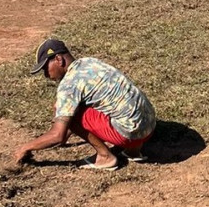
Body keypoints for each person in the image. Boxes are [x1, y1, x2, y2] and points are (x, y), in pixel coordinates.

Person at [11, 38, 157, 170]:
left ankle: (105, 157)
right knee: (83, 106)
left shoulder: (69, 85)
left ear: (58, 59)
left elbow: (57, 135)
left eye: (45, 68)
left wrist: (26, 148)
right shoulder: (89, 62)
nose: (46, 75)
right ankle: (133, 151)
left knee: (66, 110)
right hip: (149, 125)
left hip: (130, 133)